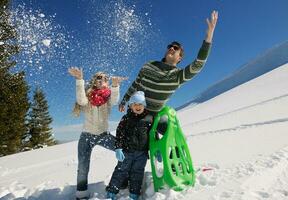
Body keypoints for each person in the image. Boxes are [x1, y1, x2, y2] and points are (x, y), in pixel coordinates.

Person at [119, 10, 218, 120]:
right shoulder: (149, 65)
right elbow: (135, 85)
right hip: (134, 113)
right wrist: (124, 100)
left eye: (176, 48)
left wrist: (208, 37)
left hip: (152, 119)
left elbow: (198, 64)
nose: (171, 48)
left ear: (180, 57)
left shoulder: (178, 76)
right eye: (170, 46)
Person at [68, 67, 126, 200]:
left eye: (105, 78)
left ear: (107, 83)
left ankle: (122, 180)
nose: (102, 80)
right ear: (94, 81)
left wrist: (115, 85)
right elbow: (81, 100)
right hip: (86, 137)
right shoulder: (88, 97)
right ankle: (81, 194)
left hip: (103, 136)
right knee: (83, 167)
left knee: (125, 152)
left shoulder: (108, 98)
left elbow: (115, 100)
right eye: (99, 78)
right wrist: (79, 80)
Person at [106, 91, 153, 200]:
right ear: (130, 106)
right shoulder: (126, 118)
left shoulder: (149, 119)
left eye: (140, 104)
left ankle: (134, 193)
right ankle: (112, 191)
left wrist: (154, 150)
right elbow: (119, 133)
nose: (138, 106)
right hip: (127, 151)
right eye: (135, 104)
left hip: (142, 153)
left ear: (144, 105)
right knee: (121, 170)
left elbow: (153, 135)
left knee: (138, 172)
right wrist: (118, 148)